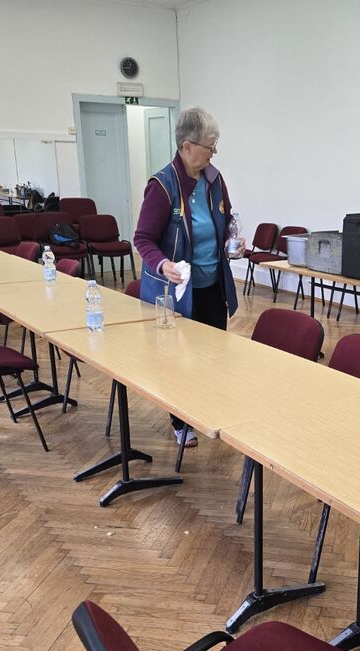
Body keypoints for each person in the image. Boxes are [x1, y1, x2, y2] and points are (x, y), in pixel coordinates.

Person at [134, 106, 246, 449]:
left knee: (212, 355)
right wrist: (162, 264)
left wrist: (232, 240)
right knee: (180, 362)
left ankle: (207, 411)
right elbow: (143, 239)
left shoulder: (214, 180)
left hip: (212, 285)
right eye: (210, 146)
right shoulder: (162, 185)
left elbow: (226, 220)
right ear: (186, 146)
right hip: (179, 291)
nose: (214, 152)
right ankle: (181, 422)